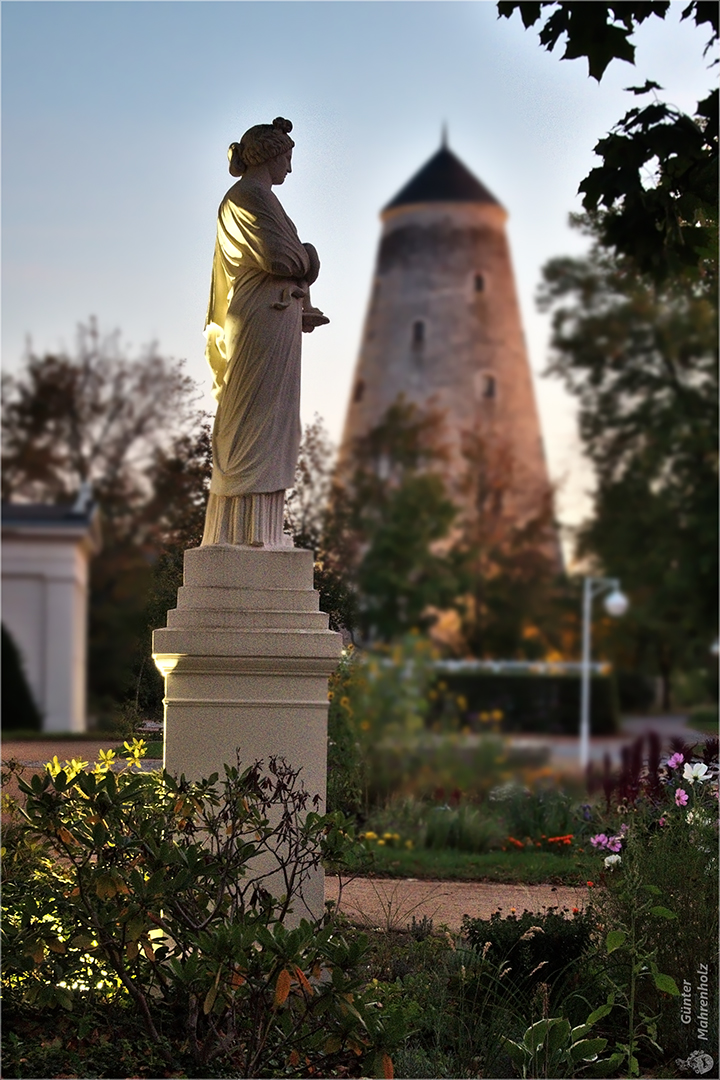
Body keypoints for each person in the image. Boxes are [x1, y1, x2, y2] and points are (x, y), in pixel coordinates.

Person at [201, 117, 328, 547]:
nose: (290, 169)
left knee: (274, 420)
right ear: (270, 155)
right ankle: (241, 534)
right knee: (253, 417)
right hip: (258, 320)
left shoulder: (263, 199)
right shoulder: (247, 198)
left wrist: (301, 265)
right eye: (287, 158)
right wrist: (310, 256)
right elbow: (281, 259)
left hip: (276, 320)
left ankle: (264, 531)